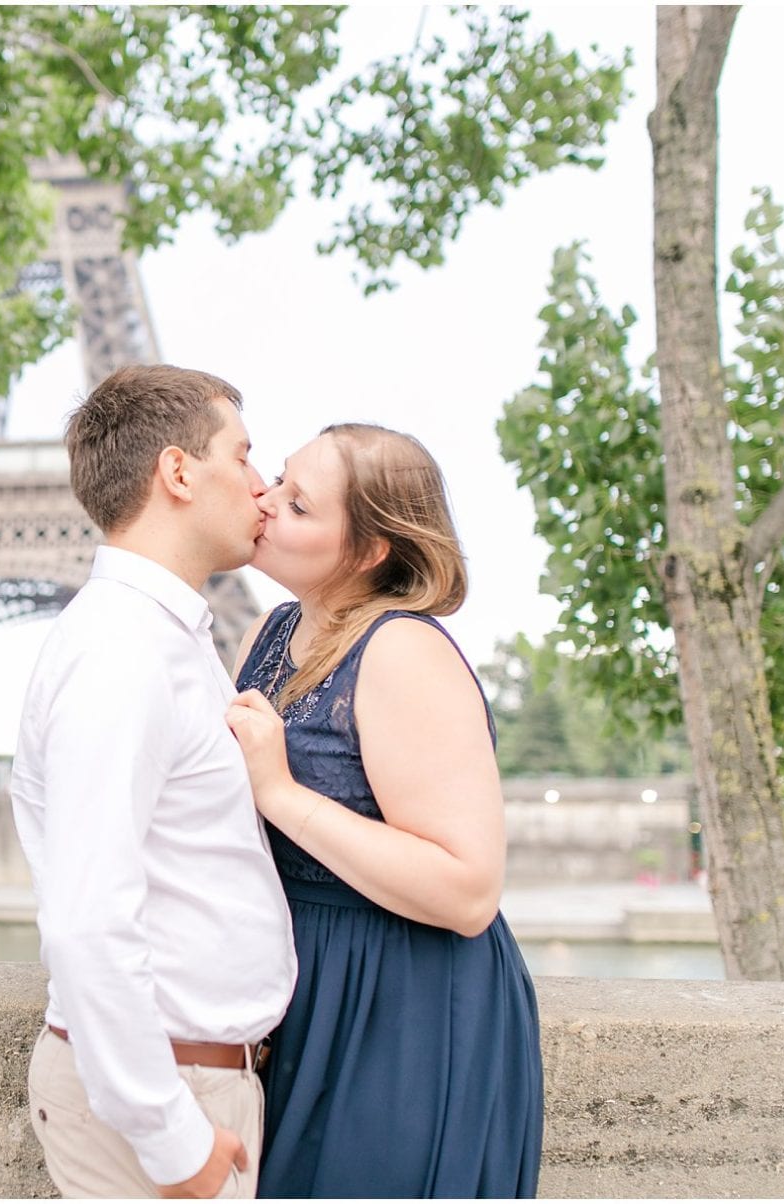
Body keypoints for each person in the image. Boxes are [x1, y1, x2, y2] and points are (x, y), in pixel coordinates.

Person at [223, 422, 544, 1198]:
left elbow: (468, 892)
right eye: (275, 481)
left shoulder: (403, 651)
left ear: (368, 552)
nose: (265, 503)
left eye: (298, 506)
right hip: (305, 991)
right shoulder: (270, 632)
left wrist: (281, 795)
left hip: (402, 1007)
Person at [12, 364, 297, 1199]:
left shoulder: (162, 640)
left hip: (190, 1082)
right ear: (178, 472)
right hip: (168, 1099)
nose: (262, 487)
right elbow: (86, 917)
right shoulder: (124, 654)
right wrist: (172, 1138)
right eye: (243, 458)